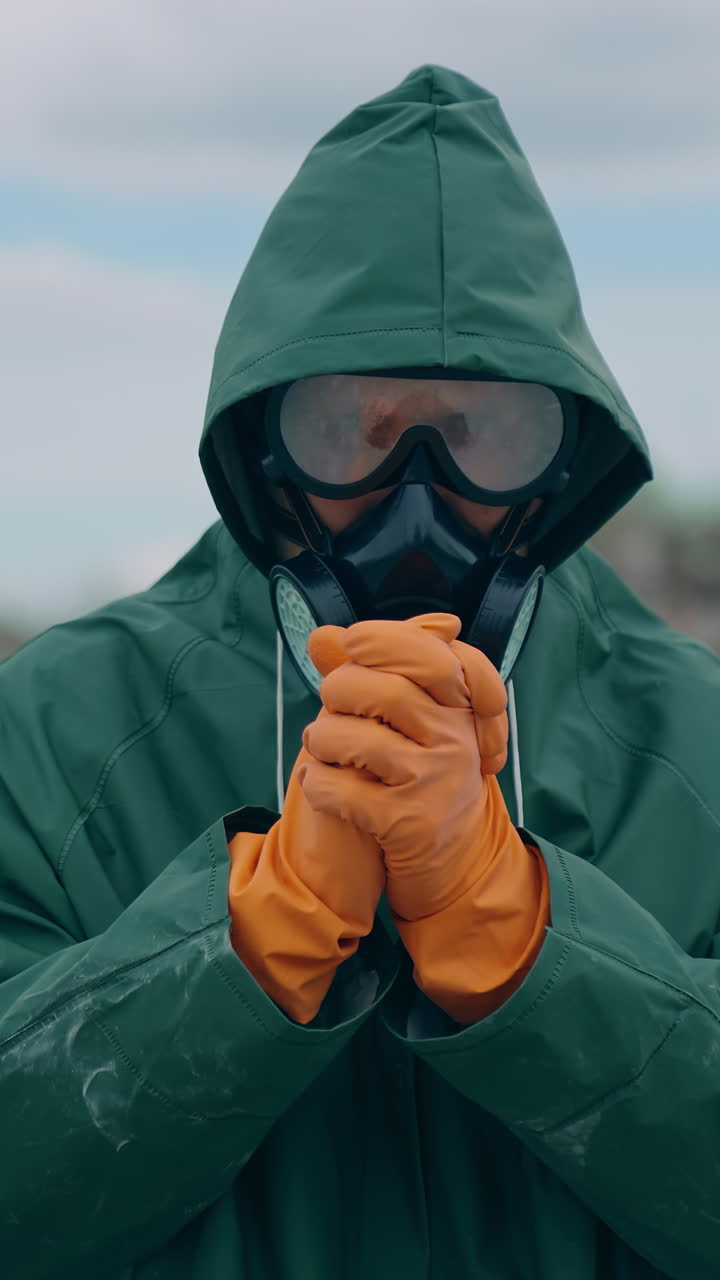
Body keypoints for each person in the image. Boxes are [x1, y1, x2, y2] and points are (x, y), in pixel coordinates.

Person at [1, 63, 719, 1280]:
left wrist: (528, 941)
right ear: (263, 448)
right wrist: (244, 941)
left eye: (483, 434)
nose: (421, 496)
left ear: (565, 457)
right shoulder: (55, 731)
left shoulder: (697, 743)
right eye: (355, 432)